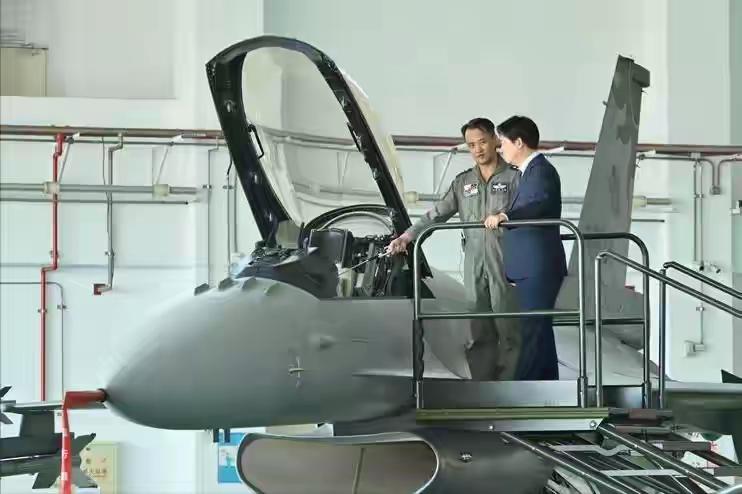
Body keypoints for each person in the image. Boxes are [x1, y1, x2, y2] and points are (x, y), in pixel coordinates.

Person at [386, 117, 521, 380]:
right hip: (474, 264)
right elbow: (436, 214)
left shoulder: (515, 178)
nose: (478, 149)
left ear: (495, 140)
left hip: (506, 262)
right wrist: (407, 237)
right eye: (471, 145)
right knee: (477, 329)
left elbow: (528, 210)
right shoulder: (463, 182)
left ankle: (511, 386)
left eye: (482, 142)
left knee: (510, 328)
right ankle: (482, 387)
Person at [487, 115, 567, 381]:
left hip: (537, 266)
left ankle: (524, 389)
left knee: (534, 329)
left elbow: (537, 203)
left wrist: (505, 216)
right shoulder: (528, 172)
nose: (500, 149)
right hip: (530, 267)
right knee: (537, 329)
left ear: (519, 142)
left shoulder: (540, 170)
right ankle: (547, 388)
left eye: (503, 143)